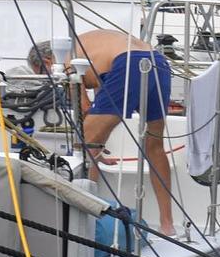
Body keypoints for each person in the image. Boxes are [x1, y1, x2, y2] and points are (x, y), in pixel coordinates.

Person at [29, 30, 178, 233]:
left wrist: (93, 147)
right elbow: (102, 107)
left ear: (47, 62)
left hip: (128, 63)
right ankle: (167, 224)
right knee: (155, 146)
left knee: (83, 144)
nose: (50, 80)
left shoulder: (65, 56)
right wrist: (98, 147)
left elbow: (84, 109)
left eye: (42, 73)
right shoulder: (90, 46)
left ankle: (85, 218)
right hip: (157, 61)